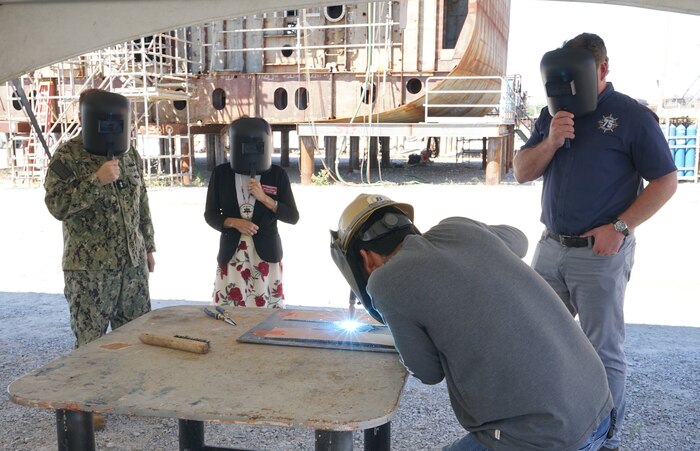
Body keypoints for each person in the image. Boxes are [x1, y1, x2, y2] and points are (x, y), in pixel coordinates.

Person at [330, 193, 616, 451]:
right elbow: (519, 239)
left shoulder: (384, 282)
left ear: (365, 259)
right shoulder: (458, 228)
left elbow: (428, 372)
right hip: (599, 405)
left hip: (547, 436)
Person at [513, 33, 677, 451]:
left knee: (602, 350)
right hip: (550, 247)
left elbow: (665, 181)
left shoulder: (631, 116)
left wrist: (620, 228)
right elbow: (521, 171)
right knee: (533, 337)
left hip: (600, 254)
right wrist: (550, 141)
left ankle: (607, 438)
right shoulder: (553, 115)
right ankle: (545, 425)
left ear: (602, 69)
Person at [45, 88, 156, 349]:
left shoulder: (129, 154)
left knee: (137, 341)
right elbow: (57, 206)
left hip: (132, 266)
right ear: (84, 117)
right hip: (90, 270)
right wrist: (96, 181)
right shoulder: (67, 156)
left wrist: (148, 247)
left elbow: (141, 203)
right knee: (90, 347)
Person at [205, 117, 299, 308]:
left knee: (265, 309)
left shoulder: (277, 174)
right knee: (230, 308)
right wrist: (232, 222)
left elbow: (292, 216)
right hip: (233, 253)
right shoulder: (221, 174)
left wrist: (264, 198)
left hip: (266, 254)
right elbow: (210, 214)